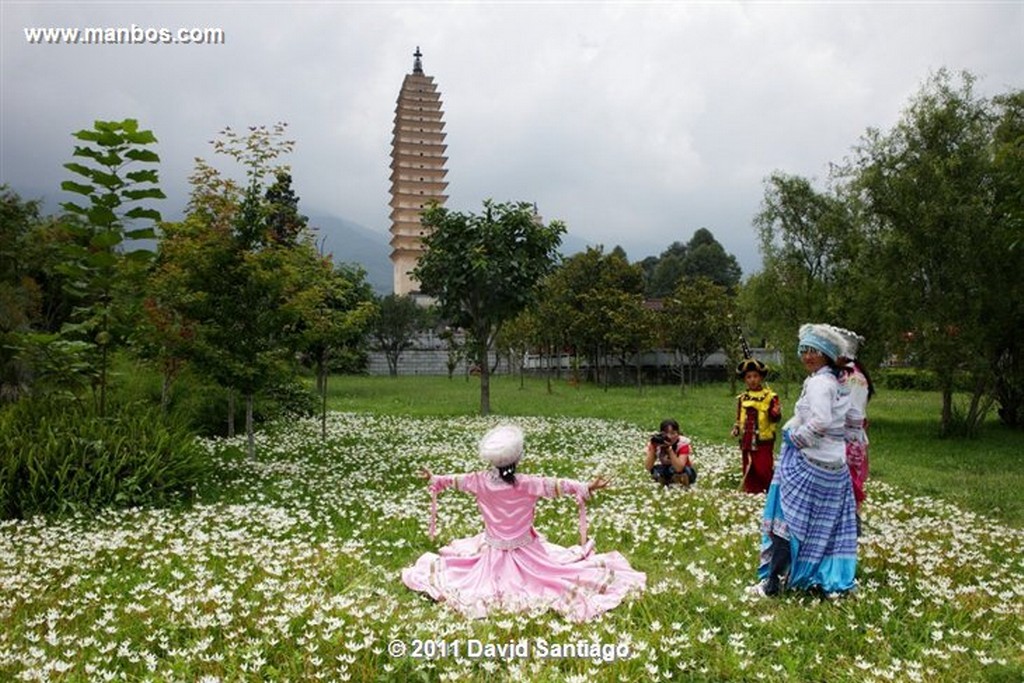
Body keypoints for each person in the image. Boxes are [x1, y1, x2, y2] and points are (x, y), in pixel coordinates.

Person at [402, 424, 646, 622]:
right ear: (518, 457)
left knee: (466, 577)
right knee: (560, 574)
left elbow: (452, 481)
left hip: (494, 553)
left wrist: (435, 478)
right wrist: (585, 486)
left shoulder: (478, 480)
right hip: (529, 552)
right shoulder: (527, 483)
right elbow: (556, 485)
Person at [748, 323, 857, 598]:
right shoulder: (838, 382)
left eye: (814, 352)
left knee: (788, 522)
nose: (807, 356)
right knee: (824, 526)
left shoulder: (820, 382)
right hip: (834, 466)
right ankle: (818, 577)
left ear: (827, 354)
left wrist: (796, 438)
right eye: (804, 350)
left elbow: (820, 421)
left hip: (809, 462)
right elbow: (852, 422)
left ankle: (772, 583)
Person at [831, 326, 875, 535]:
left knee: (847, 485)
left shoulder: (850, 376)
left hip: (845, 439)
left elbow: (852, 414)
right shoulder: (853, 374)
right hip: (850, 439)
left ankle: (849, 529)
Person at [731, 358, 782, 493]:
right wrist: (736, 428)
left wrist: (776, 412)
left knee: (763, 468)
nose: (752, 380)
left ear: (761, 377)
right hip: (747, 439)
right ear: (745, 380)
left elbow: (774, 418)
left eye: (755, 376)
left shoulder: (770, 397)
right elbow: (739, 416)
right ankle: (752, 492)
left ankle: (771, 490)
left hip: (763, 440)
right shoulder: (743, 398)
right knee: (749, 466)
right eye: (748, 377)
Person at [644, 418, 696, 486]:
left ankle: (682, 485)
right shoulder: (658, 443)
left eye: (673, 433)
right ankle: (666, 483)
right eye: (666, 433)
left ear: (678, 434)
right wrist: (653, 448)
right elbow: (648, 467)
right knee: (656, 470)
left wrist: (669, 450)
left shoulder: (682, 444)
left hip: (685, 471)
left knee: (678, 471)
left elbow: (679, 468)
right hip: (667, 469)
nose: (669, 436)